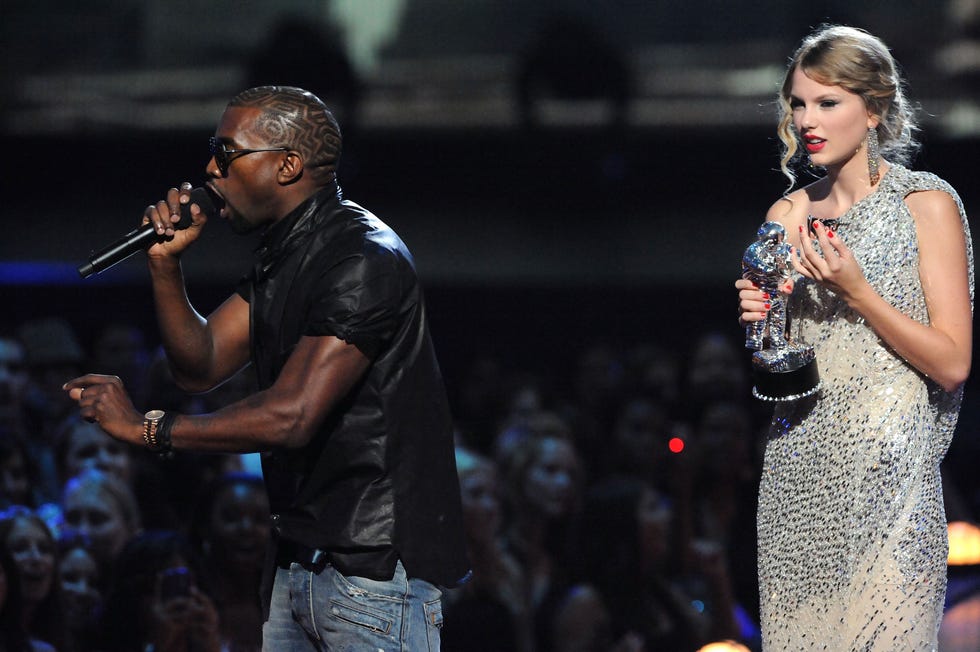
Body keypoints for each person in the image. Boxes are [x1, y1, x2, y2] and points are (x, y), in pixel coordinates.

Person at [64, 85, 470, 650]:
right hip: (300, 563)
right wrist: (165, 265)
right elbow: (200, 365)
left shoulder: (361, 260)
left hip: (369, 572)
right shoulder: (289, 255)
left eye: (227, 153)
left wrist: (150, 427)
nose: (209, 168)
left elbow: (292, 416)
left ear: (288, 165)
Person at [735, 25, 974, 650]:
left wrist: (859, 291)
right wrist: (763, 320)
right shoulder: (785, 216)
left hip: (892, 480)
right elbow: (779, 369)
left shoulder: (926, 204)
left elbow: (952, 363)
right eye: (797, 103)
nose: (807, 119)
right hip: (800, 474)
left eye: (827, 102)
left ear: (874, 110)